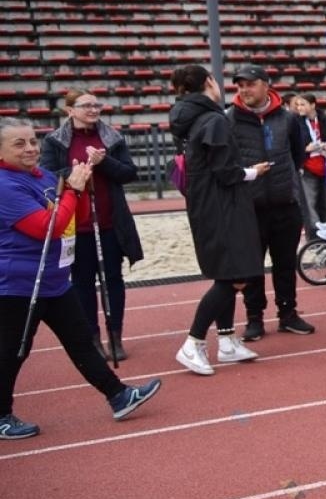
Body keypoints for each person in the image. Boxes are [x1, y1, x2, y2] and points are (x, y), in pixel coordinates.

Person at [0, 118, 162, 439]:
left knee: (81, 341)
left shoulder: (43, 176)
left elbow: (75, 219)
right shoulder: (5, 186)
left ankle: (118, 395)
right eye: (19, 144)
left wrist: (82, 190)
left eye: (33, 141)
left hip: (53, 279)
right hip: (18, 285)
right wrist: (73, 189)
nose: (31, 148)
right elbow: (48, 227)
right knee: (12, 350)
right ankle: (2, 414)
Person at [168, 65, 269, 377]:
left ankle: (226, 340)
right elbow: (225, 172)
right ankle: (193, 341)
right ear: (209, 82)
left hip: (205, 203)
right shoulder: (213, 119)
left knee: (229, 272)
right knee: (234, 275)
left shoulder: (187, 117)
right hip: (224, 205)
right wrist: (253, 172)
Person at [40, 89, 144, 362]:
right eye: (86, 105)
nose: (93, 110)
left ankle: (116, 336)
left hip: (109, 221)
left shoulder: (112, 137)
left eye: (96, 105)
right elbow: (47, 176)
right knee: (82, 283)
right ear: (70, 110)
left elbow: (129, 173)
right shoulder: (54, 141)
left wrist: (104, 162)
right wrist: (77, 172)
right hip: (76, 223)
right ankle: (93, 338)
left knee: (113, 280)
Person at [228, 64, 315, 341]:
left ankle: (288, 314)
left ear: (266, 85)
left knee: (285, 264)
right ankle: (255, 319)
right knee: (252, 265)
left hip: (284, 203)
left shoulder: (288, 119)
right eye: (240, 84)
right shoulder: (230, 119)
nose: (244, 89)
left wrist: (284, 182)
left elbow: (298, 154)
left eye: (250, 84)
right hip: (249, 206)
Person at [289, 94, 326, 237]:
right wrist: (305, 149)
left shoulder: (325, 120)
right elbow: (292, 146)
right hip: (307, 167)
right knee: (311, 204)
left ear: (313, 105)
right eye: (297, 105)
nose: (299, 108)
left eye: (302, 104)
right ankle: (315, 237)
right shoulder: (295, 122)